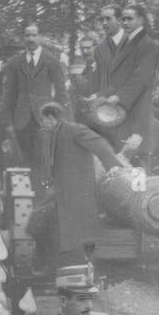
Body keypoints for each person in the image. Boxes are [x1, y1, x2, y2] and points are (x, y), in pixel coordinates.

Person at [32, 101, 124, 266]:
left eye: (43, 119)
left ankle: (57, 264)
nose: (41, 123)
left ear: (52, 118)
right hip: (62, 192)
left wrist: (113, 165)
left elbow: (99, 145)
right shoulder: (50, 134)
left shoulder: (75, 130)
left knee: (69, 232)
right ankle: (50, 262)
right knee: (38, 221)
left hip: (77, 193)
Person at [0, 20, 68, 175]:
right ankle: (25, 197)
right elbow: (8, 94)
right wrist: (8, 123)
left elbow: (61, 93)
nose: (30, 39)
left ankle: (42, 196)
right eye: (27, 35)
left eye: (34, 35)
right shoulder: (15, 63)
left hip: (44, 119)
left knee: (44, 160)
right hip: (21, 120)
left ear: (41, 37)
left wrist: (59, 119)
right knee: (23, 162)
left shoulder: (51, 61)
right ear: (22, 37)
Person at [93, 2, 159, 150]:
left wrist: (119, 97)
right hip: (121, 108)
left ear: (141, 20)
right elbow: (118, 77)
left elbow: (141, 78)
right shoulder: (128, 41)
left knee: (136, 152)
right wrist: (102, 94)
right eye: (123, 19)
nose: (125, 22)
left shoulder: (148, 44)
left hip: (137, 106)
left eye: (129, 19)